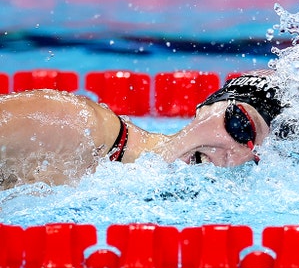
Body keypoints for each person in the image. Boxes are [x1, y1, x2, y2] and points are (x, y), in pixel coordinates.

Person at [0, 72, 284, 190]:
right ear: (206, 106)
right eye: (240, 125)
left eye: (256, 156)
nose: (232, 156)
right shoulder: (77, 124)